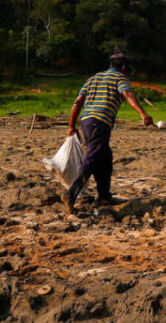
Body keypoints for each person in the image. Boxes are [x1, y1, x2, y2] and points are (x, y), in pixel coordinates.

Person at [61, 54, 153, 213]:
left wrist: (71, 126)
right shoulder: (120, 78)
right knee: (93, 157)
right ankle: (71, 193)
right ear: (123, 67)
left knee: (105, 157)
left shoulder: (93, 78)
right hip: (100, 122)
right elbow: (127, 94)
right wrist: (142, 113)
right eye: (128, 70)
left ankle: (104, 196)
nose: (128, 73)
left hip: (87, 122)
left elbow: (78, 102)